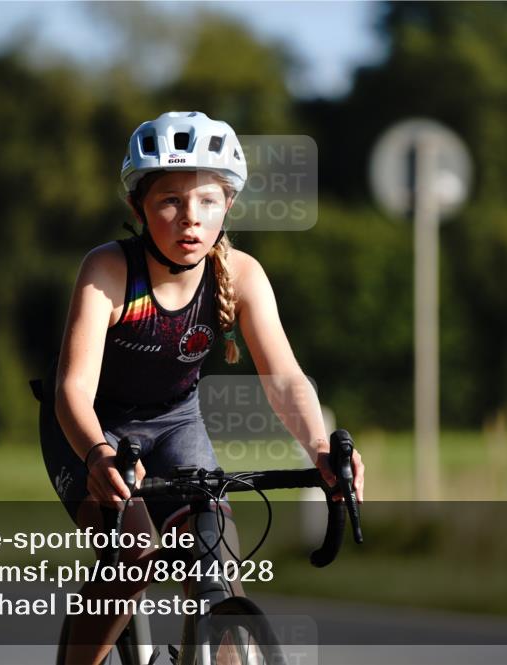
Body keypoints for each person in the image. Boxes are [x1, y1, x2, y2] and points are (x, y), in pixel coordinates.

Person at [38, 111, 365, 665]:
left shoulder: (240, 273)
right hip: (91, 426)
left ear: (228, 205)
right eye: (169, 200)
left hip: (175, 423)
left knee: (217, 565)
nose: (190, 218)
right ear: (137, 205)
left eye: (208, 201)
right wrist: (97, 454)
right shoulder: (110, 269)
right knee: (135, 553)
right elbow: (73, 387)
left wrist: (319, 447)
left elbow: (285, 379)